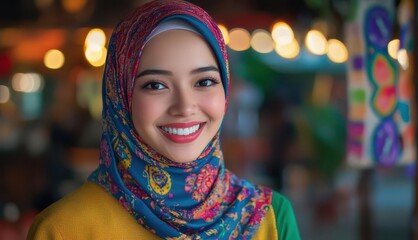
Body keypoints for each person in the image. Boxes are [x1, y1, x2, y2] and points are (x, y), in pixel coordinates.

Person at [27, 0, 300, 239]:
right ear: (120, 97)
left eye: (204, 81)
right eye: (156, 85)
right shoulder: (63, 230)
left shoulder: (270, 218)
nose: (184, 107)